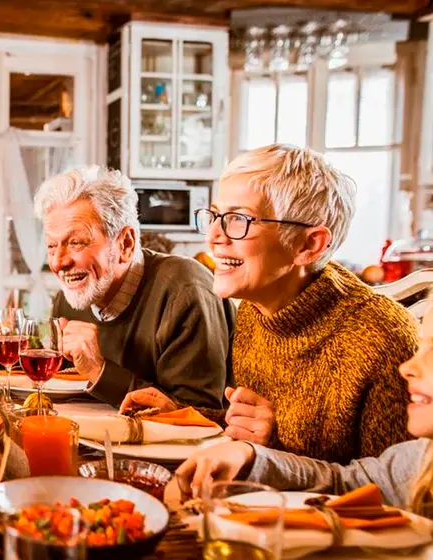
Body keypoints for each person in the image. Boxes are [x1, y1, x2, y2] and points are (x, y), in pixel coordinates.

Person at [122, 144, 416, 463]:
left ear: (308, 245)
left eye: (239, 219)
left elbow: (394, 485)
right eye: (215, 216)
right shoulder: (255, 310)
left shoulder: (384, 339)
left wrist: (272, 448)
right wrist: (181, 414)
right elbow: (252, 426)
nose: (213, 236)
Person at [176, 303, 433, 518]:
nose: (406, 368)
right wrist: (249, 456)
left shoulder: (376, 331)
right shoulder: (420, 458)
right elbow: (346, 484)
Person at [35, 165, 234, 409]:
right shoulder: (69, 299)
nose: (58, 263)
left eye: (76, 243)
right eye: (51, 246)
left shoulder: (186, 290)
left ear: (125, 244)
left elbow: (199, 415)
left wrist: (99, 370)